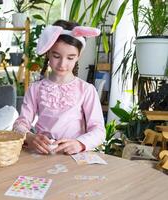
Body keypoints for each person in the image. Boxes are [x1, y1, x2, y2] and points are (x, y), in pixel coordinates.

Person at [13, 20, 105, 155]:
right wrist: (30, 137)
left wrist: (80, 143)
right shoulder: (35, 89)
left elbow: (99, 130)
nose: (62, 64)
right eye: (56, 56)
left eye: (70, 57)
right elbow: (19, 125)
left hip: (74, 156)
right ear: (47, 53)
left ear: (78, 56)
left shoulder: (86, 90)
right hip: (43, 155)